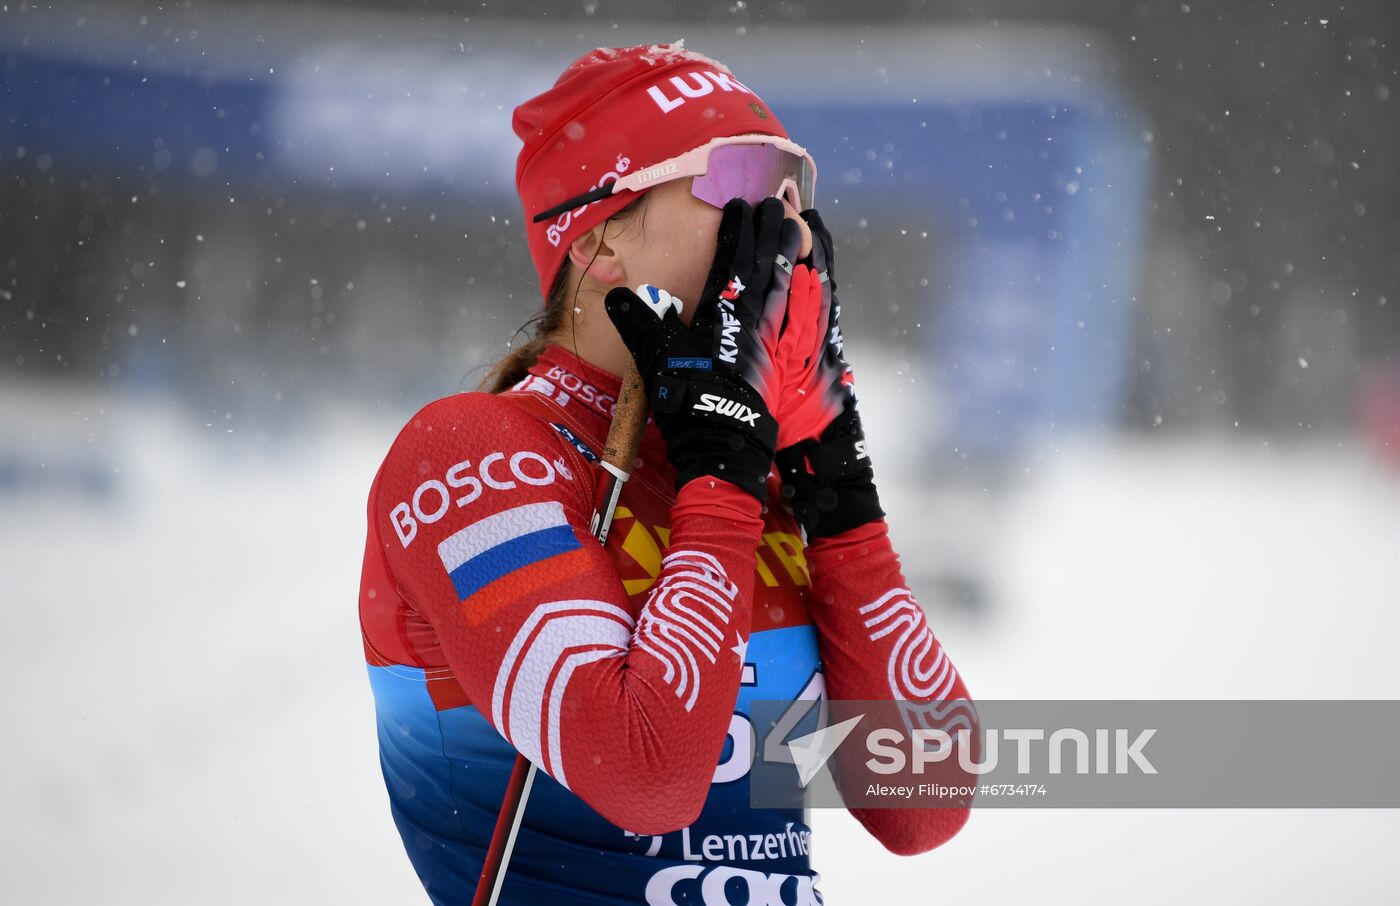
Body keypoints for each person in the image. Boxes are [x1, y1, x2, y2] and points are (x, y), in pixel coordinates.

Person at [358, 42, 975, 905]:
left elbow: (926, 798)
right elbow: (646, 774)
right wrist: (720, 473)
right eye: (745, 181)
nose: (784, 223)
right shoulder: (470, 452)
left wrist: (837, 491)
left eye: (795, 185)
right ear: (600, 237)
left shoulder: (754, 475)